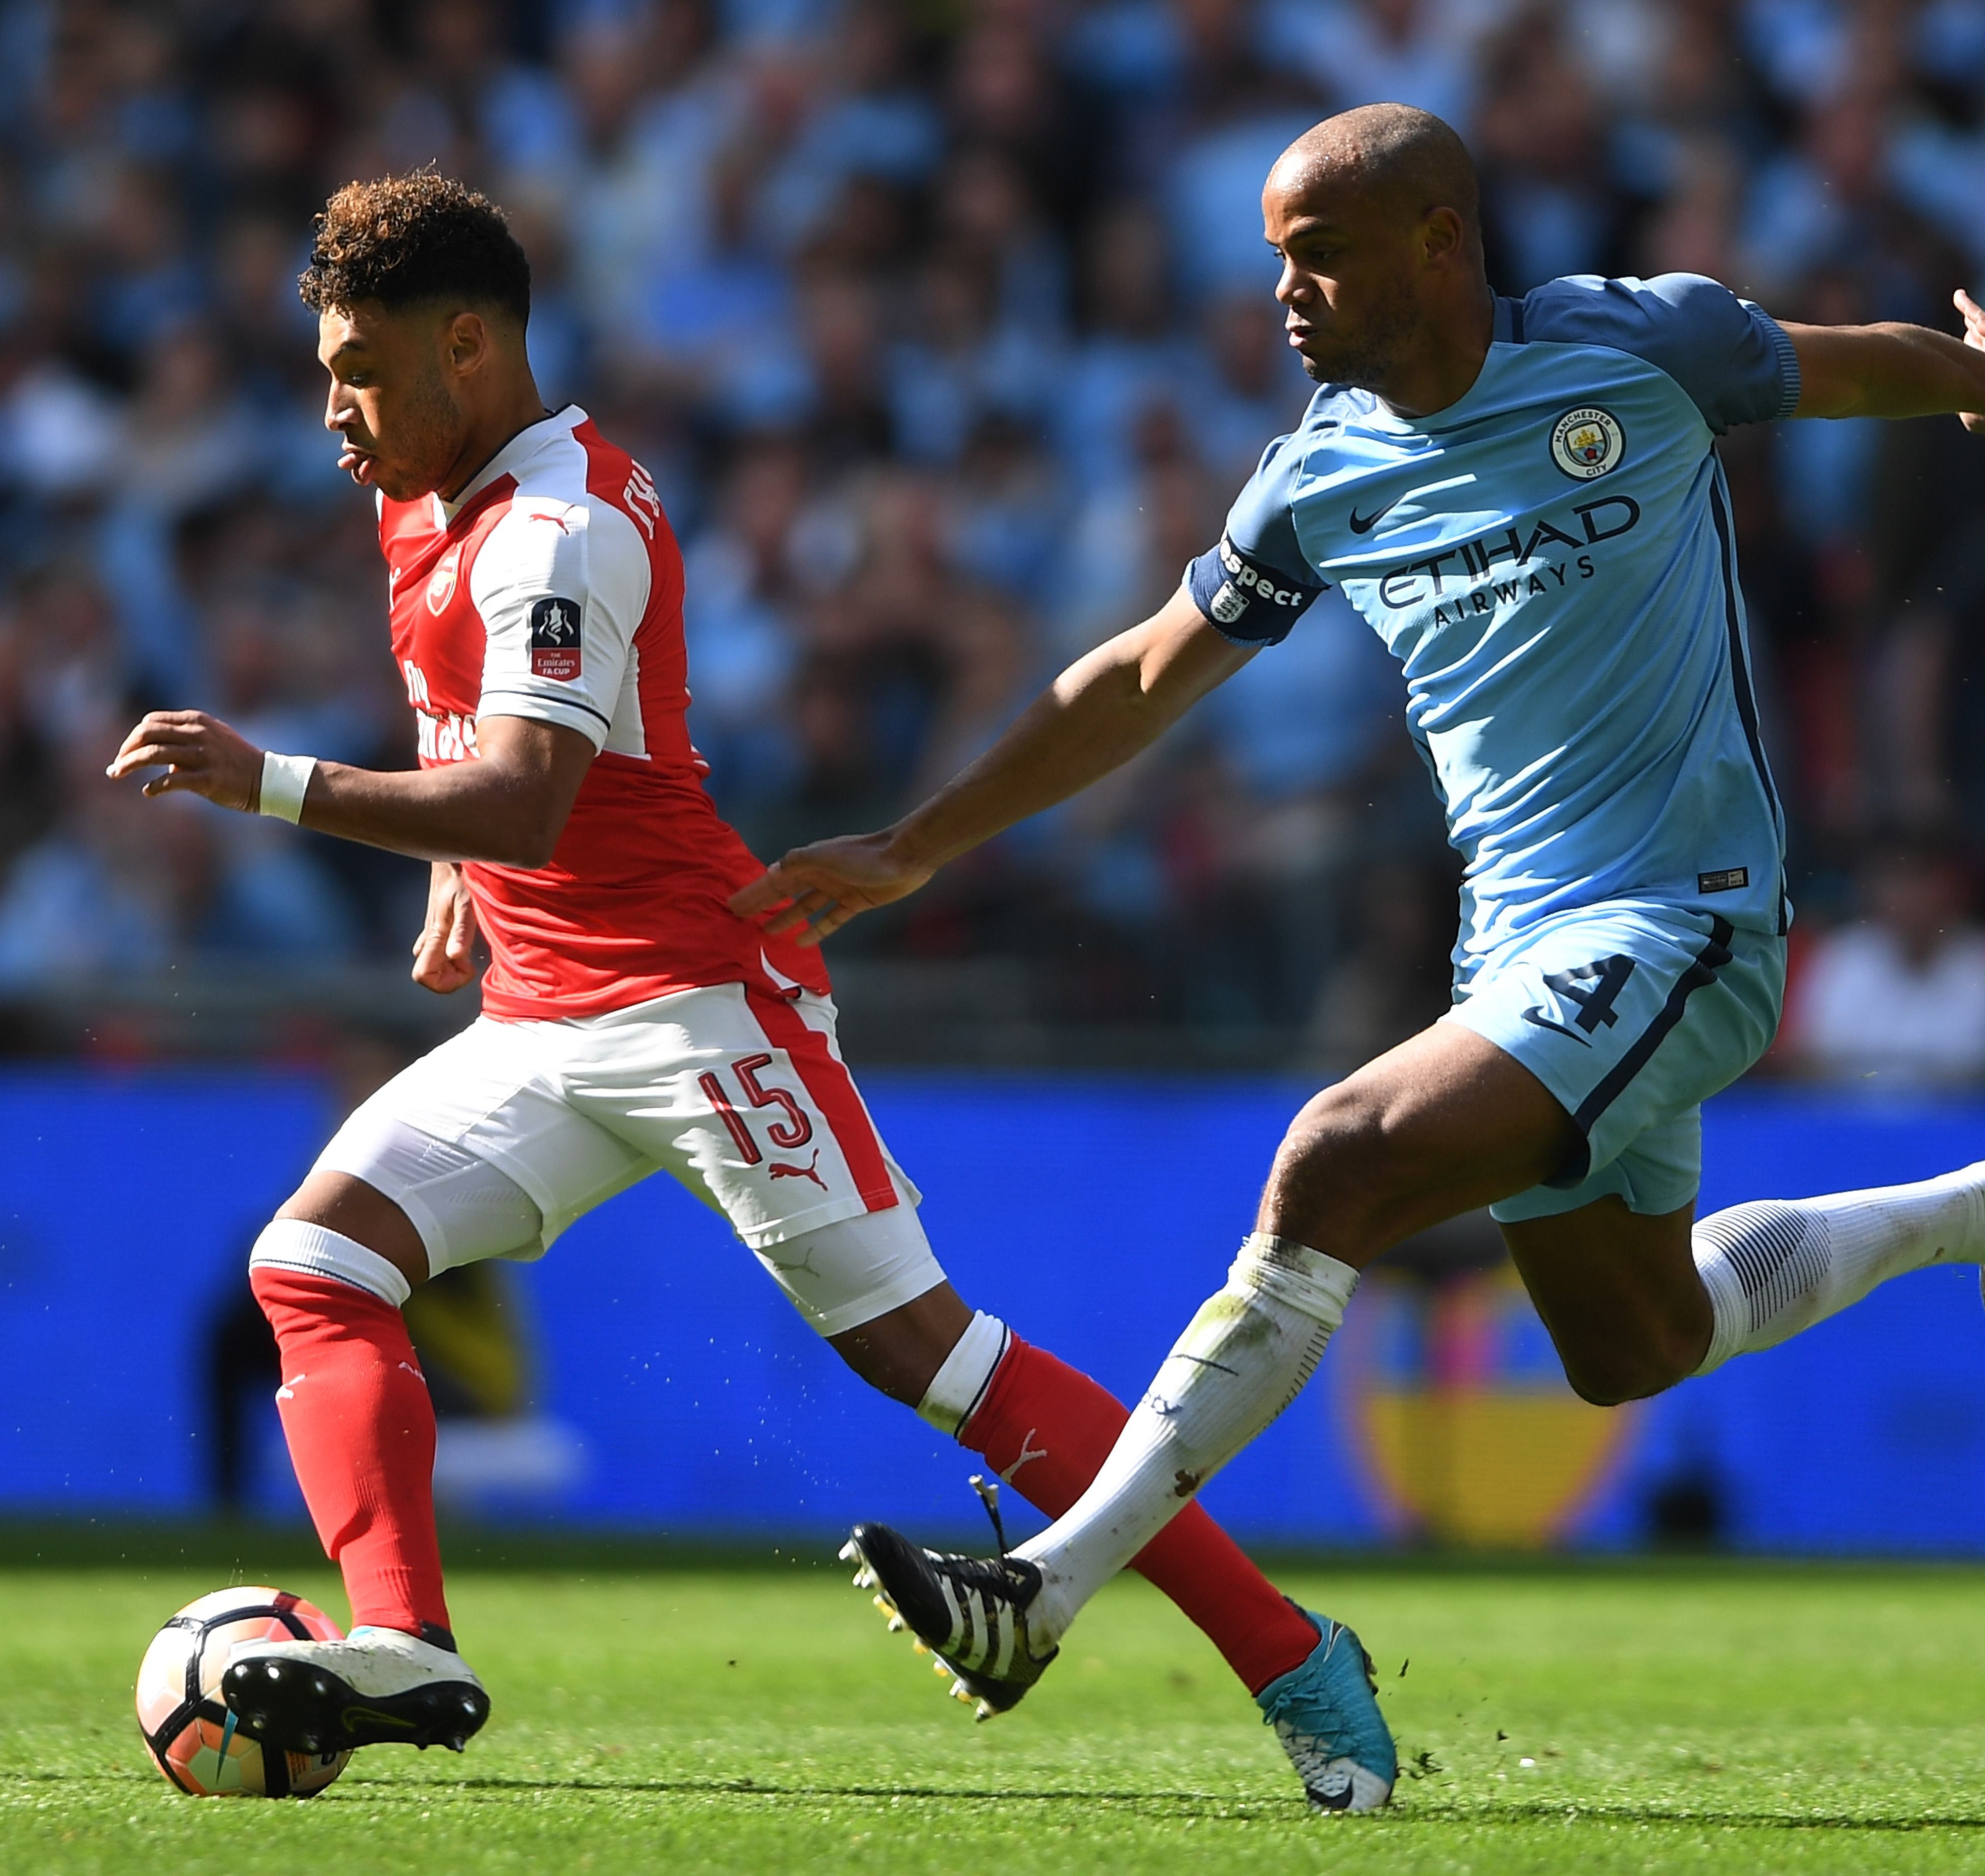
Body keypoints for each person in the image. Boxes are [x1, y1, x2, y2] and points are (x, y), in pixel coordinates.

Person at [731, 105, 1985, 1811]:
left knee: (1336, 1159)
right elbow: (1144, 674)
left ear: (1440, 242)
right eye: (1273, 257)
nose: (1285, 292)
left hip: (1685, 918)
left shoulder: (1636, 343)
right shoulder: (1317, 472)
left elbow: (1855, 362)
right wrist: (922, 839)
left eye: (1317, 251)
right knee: (1634, 1345)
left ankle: (1047, 1587)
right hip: (1517, 956)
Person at [104, 173, 1388, 1811]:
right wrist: (457, 880)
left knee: (933, 1358)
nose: (332, 408)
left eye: (360, 367)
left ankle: (1293, 1655)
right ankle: (408, 1640)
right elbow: (487, 753)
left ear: (473, 347)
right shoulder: (421, 495)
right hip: (547, 1017)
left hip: (704, 1002)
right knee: (316, 1260)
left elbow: (527, 794)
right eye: (325, 367)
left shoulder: (563, 524)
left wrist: (271, 781)